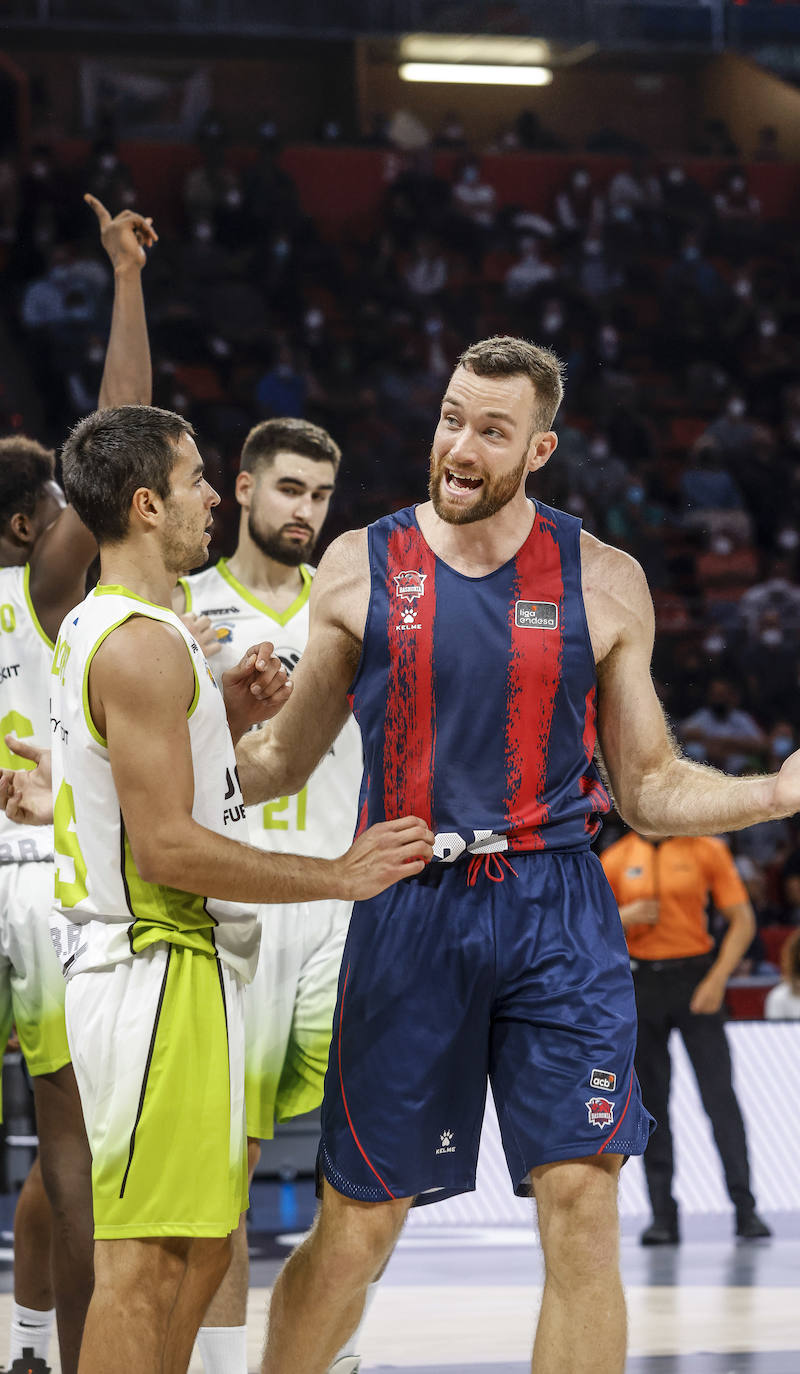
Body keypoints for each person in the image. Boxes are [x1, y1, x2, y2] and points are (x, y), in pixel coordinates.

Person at [227, 335, 800, 1374]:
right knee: (360, 1224)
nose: (460, 446)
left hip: (557, 906)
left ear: (540, 449)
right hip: (411, 902)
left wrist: (776, 792)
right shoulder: (361, 563)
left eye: (492, 430)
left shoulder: (606, 580)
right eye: (452, 418)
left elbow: (648, 786)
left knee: (583, 1205)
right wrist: (187, 744)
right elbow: (277, 762)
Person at [48, 403, 432, 1374]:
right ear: (145, 506)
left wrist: (221, 716)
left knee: (204, 1245)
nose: (212, 495)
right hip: (153, 971)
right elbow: (170, 849)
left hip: (188, 971)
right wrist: (336, 874)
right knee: (140, 1267)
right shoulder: (142, 641)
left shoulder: (139, 632)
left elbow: (187, 790)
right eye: (193, 481)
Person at [174, 417, 368, 1374]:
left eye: (322, 496)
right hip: (236, 907)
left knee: (365, 1175)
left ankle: (330, 1358)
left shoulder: (353, 614)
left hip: (343, 909)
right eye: (290, 489)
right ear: (241, 490)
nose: (307, 511)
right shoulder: (181, 608)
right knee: (225, 1176)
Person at [0, 191, 156, 1374]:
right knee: (70, 1142)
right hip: (35, 889)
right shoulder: (47, 591)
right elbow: (119, 426)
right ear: (27, 525)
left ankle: (26, 1347)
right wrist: (126, 278)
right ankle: (66, 1357)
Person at [599, 828, 771, 1245]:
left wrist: (716, 979)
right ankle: (663, 1217)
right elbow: (589, 927)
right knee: (652, 1106)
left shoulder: (705, 849)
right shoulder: (616, 857)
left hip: (696, 978)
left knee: (720, 1099)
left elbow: (743, 920)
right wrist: (626, 915)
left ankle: (746, 1209)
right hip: (641, 984)